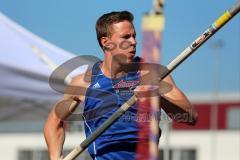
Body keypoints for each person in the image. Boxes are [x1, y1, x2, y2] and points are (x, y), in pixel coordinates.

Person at [43, 11, 198, 160]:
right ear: (106, 43)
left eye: (134, 36)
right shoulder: (84, 83)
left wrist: (157, 93)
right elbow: (54, 121)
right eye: (126, 37)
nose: (134, 42)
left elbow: (190, 117)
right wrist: (55, 156)